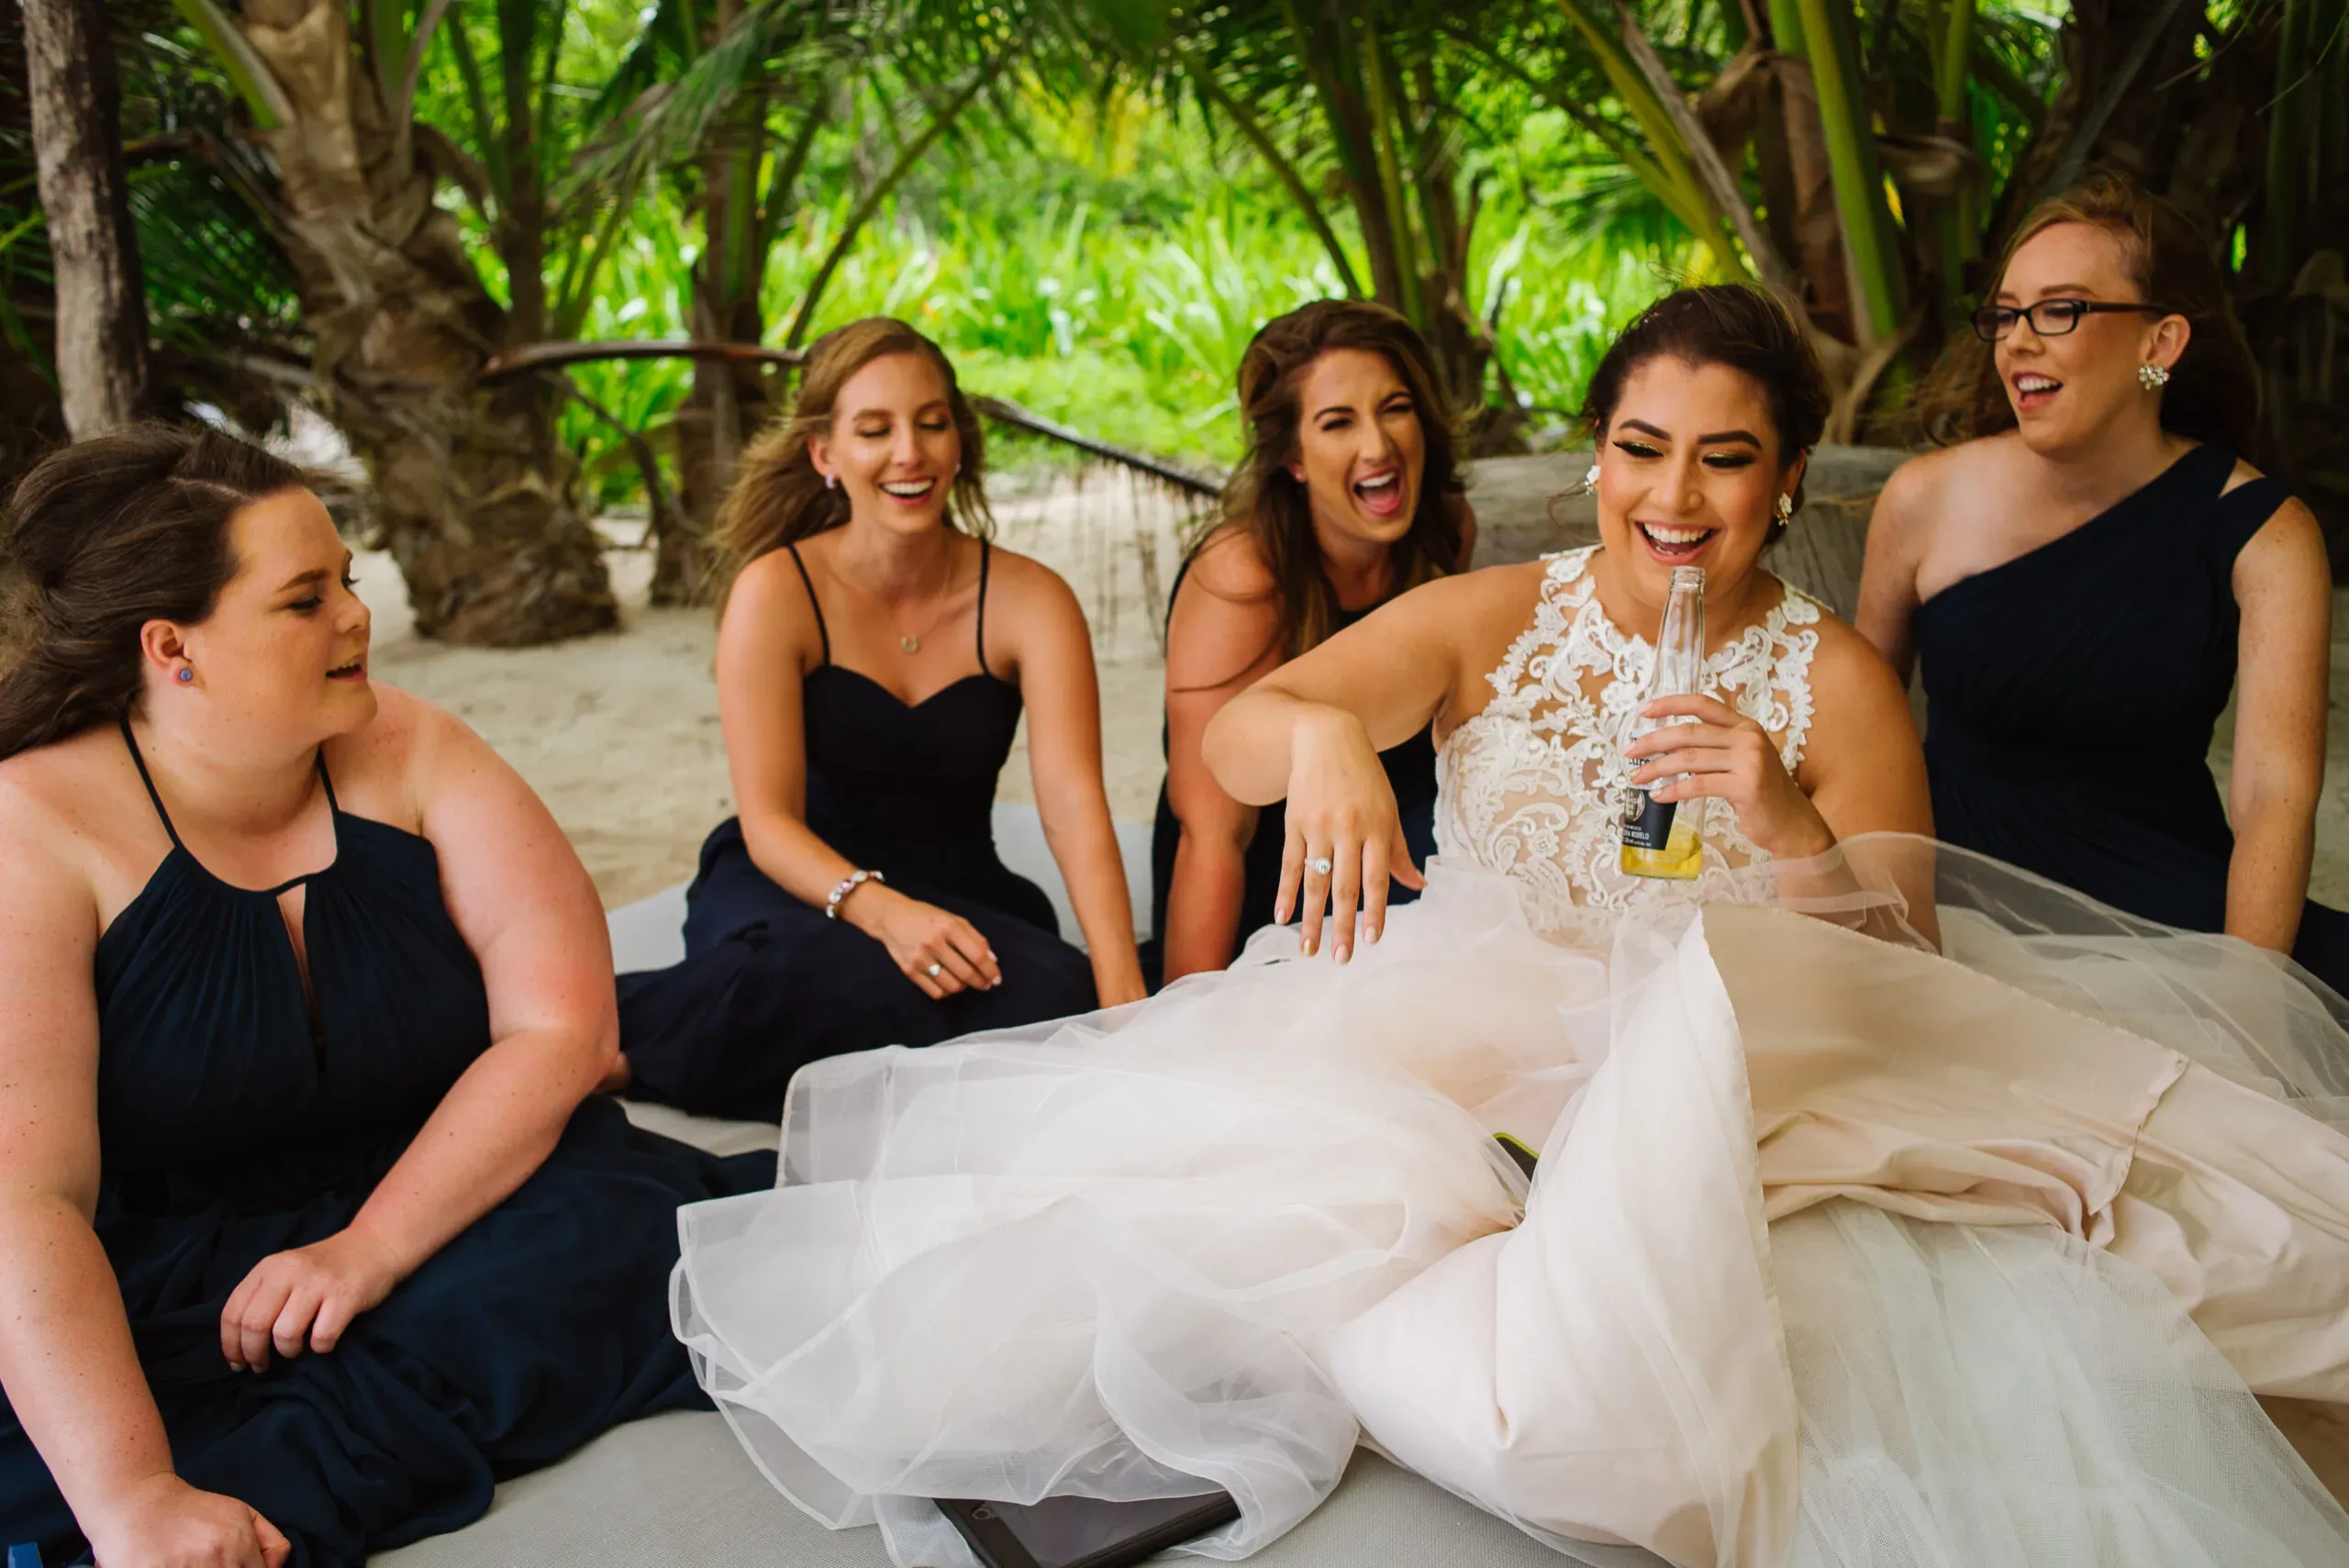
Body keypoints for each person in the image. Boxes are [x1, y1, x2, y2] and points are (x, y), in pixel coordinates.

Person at [666, 286, 2349, 1568]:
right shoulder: (1490, 615)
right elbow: (1234, 740)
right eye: (1640, 447)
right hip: (1461, 1022)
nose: (1673, 495)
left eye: (1727, 455)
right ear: (1598, 453)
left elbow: (1900, 953)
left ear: (1782, 482)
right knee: (1258, 1267)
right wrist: (1322, 731)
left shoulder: (1830, 674)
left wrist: (1782, 813)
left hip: (1750, 1045)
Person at [0, 427, 770, 1568]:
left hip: (448, 1186)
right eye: (305, 598)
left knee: (627, 1246)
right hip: (173, 1259)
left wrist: (368, 1248)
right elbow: (28, 1199)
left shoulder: (415, 746)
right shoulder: (34, 827)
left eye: (347, 581)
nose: (358, 616)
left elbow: (562, 1028)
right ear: (174, 646)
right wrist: (134, 1491)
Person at [615, 318, 1141, 1121]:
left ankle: (790, 1056)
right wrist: (884, 913)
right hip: (798, 890)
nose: (909, 453)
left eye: (932, 424)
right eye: (875, 430)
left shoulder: (1031, 599)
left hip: (960, 887)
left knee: (1059, 997)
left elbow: (1073, 804)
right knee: (806, 967)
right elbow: (768, 822)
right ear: (825, 454)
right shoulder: (776, 591)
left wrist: (1124, 1002)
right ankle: (621, 1038)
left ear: (959, 442)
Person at [1858, 172, 2344, 995]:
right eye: (2007, 315)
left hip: (2177, 918)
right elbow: (1851, 726)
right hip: (1955, 911)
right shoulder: (1924, 498)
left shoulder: (2268, 533)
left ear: (2162, 343)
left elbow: (2274, 795)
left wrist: (2247, 1003)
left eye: (2060, 310)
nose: (2016, 341)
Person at [1151, 300, 1473, 984]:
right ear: (1293, 458)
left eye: (1395, 408)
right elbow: (1214, 835)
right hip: (1277, 862)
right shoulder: (1240, 576)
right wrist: (1178, 1028)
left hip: (1406, 818)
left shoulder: (1445, 527)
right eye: (1337, 423)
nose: (1378, 447)